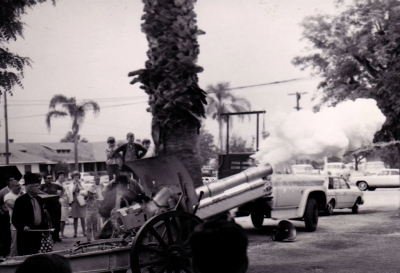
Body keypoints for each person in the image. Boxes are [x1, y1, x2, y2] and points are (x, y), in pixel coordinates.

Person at [12, 172, 50, 256]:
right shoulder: (20, 201)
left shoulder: (39, 199)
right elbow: (15, 219)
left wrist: (45, 228)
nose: (39, 187)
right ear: (30, 188)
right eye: (36, 186)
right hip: (26, 236)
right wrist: (23, 226)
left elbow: (42, 216)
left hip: (38, 233)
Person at [40, 174, 63, 243]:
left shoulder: (55, 185)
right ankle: (52, 237)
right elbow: (38, 193)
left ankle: (57, 236)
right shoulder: (42, 186)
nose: (50, 179)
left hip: (56, 203)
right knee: (51, 220)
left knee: (57, 220)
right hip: (48, 205)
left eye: (51, 178)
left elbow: (63, 189)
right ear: (45, 179)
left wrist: (60, 195)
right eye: (48, 178)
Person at [4, 179, 22, 257]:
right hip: (14, 222)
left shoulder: (21, 194)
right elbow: (15, 207)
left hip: (23, 221)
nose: (19, 187)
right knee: (14, 242)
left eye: (19, 185)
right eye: (17, 186)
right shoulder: (8, 196)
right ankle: (13, 257)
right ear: (11, 186)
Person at [66, 171, 86, 238]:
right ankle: (75, 232)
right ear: (73, 178)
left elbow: (83, 190)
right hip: (74, 201)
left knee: (83, 217)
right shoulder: (71, 184)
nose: (76, 178)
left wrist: (79, 184)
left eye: (77, 177)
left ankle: (84, 232)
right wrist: (75, 184)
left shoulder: (82, 183)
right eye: (75, 177)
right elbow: (72, 191)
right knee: (75, 218)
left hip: (81, 201)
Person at [0, 174, 14, 258]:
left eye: (13, 180)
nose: (12, 181)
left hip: (13, 215)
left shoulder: (17, 190)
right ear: (7, 182)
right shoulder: (2, 191)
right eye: (11, 180)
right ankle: (5, 252)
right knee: (6, 234)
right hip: (5, 215)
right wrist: (1, 212)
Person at [54, 171, 69, 238]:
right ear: (58, 177)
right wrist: (62, 191)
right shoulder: (56, 184)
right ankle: (59, 234)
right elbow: (58, 195)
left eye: (63, 176)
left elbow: (67, 193)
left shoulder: (64, 184)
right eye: (61, 176)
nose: (62, 177)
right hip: (59, 202)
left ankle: (62, 233)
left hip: (65, 202)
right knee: (60, 219)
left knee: (64, 219)